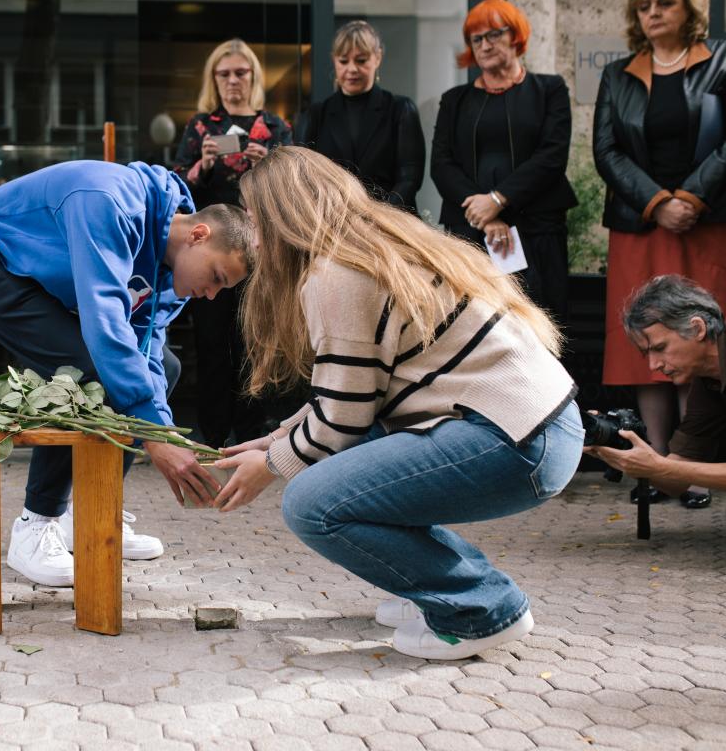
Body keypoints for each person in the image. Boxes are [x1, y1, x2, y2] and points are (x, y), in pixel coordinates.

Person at [213, 146, 583, 660]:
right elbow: (353, 391)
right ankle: (428, 593)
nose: (252, 237)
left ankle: (482, 610)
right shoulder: (378, 246)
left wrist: (271, 466)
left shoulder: (335, 277)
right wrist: (277, 438)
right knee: (348, 460)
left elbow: (341, 420)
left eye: (253, 219)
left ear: (280, 215)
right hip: (539, 426)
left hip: (514, 439)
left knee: (313, 504)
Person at [0, 159, 252, 587]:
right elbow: (104, 324)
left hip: (40, 275)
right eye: (217, 277)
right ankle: (35, 526)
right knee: (86, 372)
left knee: (166, 366)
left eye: (223, 289)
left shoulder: (170, 272)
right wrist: (153, 438)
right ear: (199, 236)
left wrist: (163, 433)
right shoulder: (109, 202)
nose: (212, 295)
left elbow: (146, 353)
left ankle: (90, 512)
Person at [594, 0, 726, 510]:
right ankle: (657, 463)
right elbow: (607, 151)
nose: (654, 13)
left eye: (665, 3)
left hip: (707, 221)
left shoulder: (725, 58)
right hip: (643, 224)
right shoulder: (618, 74)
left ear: (689, 8)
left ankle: (700, 468)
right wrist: (657, 202)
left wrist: (690, 197)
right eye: (645, 6)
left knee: (706, 335)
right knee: (644, 341)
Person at [585, 275, 726, 574]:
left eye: (659, 348)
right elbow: (677, 477)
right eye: (646, 354)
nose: (653, 366)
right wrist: (617, 448)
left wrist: (659, 468)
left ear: (697, 328)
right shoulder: (710, 377)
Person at [172, 38, 292, 450]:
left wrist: (268, 167)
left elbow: (293, 189)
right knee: (211, 344)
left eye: (241, 72)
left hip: (260, 252)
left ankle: (252, 434)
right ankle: (212, 434)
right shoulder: (201, 126)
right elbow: (178, 190)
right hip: (208, 253)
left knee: (255, 342)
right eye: (224, 73)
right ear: (214, 79)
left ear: (254, 77)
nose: (233, 80)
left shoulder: (274, 127)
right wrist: (201, 166)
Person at [431, 0, 577, 329]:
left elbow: (552, 156)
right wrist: (485, 215)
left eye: (494, 34)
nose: (485, 45)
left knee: (542, 325)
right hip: (471, 231)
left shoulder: (549, 90)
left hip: (537, 229)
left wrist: (498, 201)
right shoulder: (455, 100)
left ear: (516, 36)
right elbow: (441, 164)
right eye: (476, 38)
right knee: (473, 328)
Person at [294, 20, 425, 212]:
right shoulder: (315, 115)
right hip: (332, 223)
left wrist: (378, 217)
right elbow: (302, 176)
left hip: (391, 223)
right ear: (334, 60)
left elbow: (410, 177)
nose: (352, 69)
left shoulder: (400, 109)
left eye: (361, 60)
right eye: (344, 61)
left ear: (377, 58)